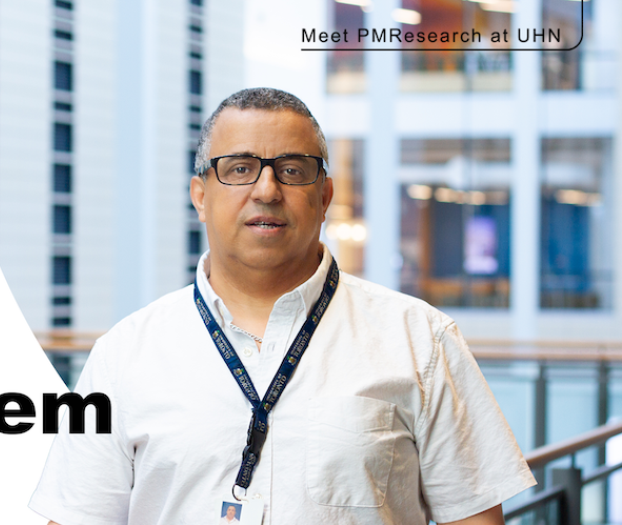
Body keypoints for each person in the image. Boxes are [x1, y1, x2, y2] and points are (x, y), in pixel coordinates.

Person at [29, 87, 535, 525]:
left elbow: (473, 517)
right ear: (200, 196)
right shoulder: (125, 355)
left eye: (292, 170)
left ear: (325, 195)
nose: (266, 190)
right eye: (240, 169)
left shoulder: (420, 338)